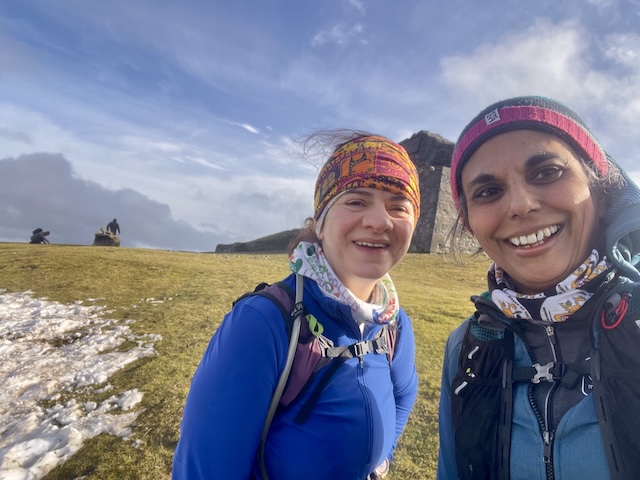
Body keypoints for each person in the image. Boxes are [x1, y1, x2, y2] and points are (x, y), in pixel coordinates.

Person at [173, 133, 421, 479]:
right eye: (356, 201)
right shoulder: (263, 323)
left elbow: (404, 394)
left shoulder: (394, 323)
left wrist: (381, 462)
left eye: (398, 206)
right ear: (320, 222)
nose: (380, 221)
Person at [437, 96, 640, 479]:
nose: (521, 204)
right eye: (488, 192)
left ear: (600, 191)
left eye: (547, 172)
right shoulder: (466, 346)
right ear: (470, 225)